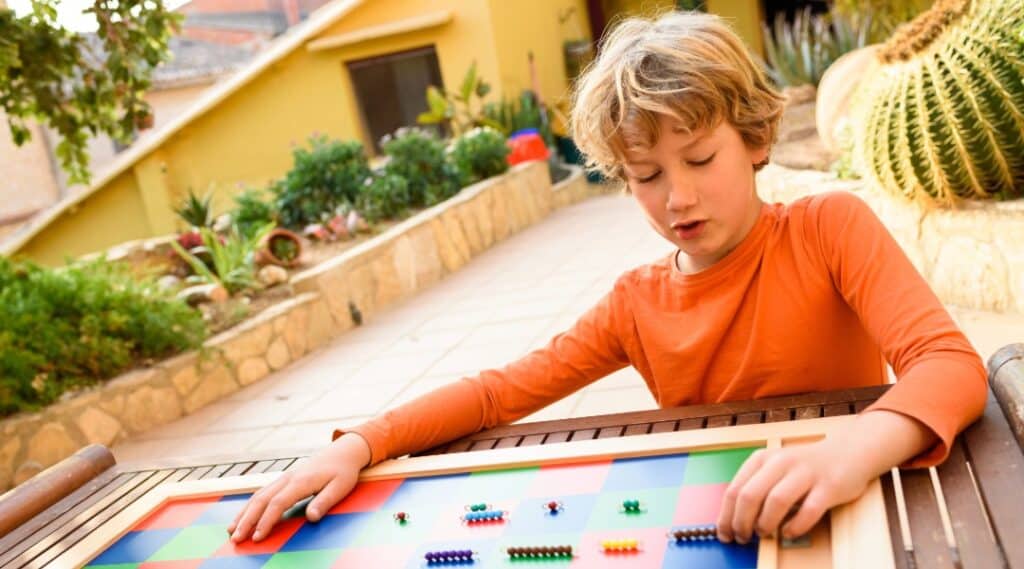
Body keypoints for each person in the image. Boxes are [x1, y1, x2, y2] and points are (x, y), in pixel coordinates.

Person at [228, 10, 987, 546]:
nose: (677, 197)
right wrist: (360, 442)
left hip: (854, 502)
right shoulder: (636, 302)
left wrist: (854, 447)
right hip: (716, 522)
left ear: (755, 140)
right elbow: (499, 393)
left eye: (699, 160)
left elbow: (950, 366)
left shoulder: (829, 228)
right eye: (646, 174)